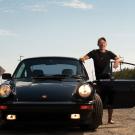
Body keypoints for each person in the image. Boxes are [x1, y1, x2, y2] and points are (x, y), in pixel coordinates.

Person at [80, 37, 121, 124]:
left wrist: (116, 62)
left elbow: (118, 58)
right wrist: (82, 58)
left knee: (111, 100)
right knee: (100, 101)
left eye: (103, 43)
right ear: (98, 44)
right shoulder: (94, 52)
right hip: (99, 80)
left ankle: (110, 119)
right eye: (100, 43)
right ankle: (100, 120)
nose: (102, 44)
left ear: (106, 44)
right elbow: (85, 57)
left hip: (109, 79)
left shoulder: (109, 53)